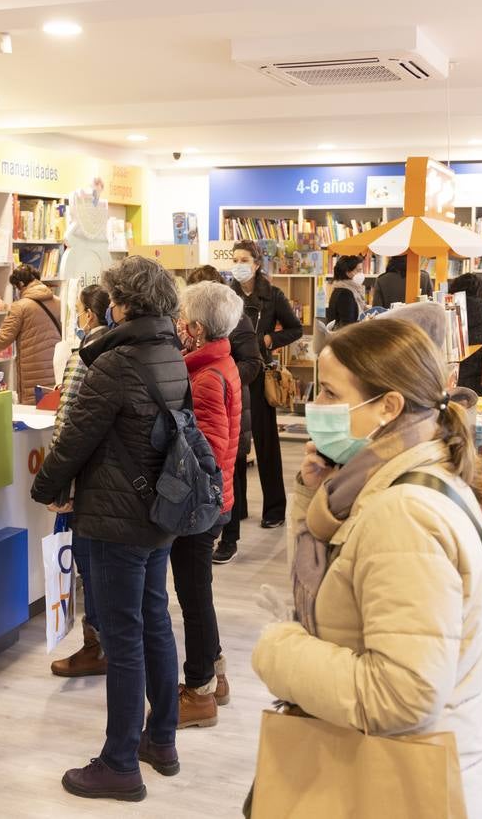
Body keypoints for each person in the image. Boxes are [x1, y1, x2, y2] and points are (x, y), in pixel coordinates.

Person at [251, 319, 482, 819]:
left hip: (396, 779)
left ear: (388, 406)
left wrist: (277, 650)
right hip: (402, 762)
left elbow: (402, 696)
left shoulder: (403, 512)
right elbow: (337, 566)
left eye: (330, 392)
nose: (314, 404)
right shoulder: (392, 480)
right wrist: (309, 491)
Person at [30, 256, 186, 802]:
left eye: (115, 298)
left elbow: (75, 438)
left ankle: (120, 763)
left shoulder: (116, 363)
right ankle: (161, 739)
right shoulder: (171, 352)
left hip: (116, 517)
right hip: (156, 512)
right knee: (153, 622)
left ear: (124, 305)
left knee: (121, 640)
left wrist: (45, 487)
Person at [171, 281, 242, 728]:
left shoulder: (204, 377)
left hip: (202, 507)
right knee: (198, 595)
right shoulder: (217, 362)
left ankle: (198, 691)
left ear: (195, 328)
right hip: (218, 502)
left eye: (182, 319)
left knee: (193, 598)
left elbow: (209, 454)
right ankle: (214, 674)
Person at [49, 284, 111, 678]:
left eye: (78, 310)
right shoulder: (124, 351)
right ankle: (105, 642)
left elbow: (66, 422)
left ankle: (96, 646)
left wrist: (59, 483)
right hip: (113, 479)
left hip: (86, 481)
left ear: (89, 314)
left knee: (88, 563)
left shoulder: (84, 355)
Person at [184, 265, 261, 565]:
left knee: (230, 479)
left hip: (231, 412)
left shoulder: (215, 367)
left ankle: (231, 539)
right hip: (227, 409)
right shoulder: (208, 359)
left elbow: (252, 363)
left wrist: (221, 379)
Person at [230, 240, 302, 530]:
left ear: (257, 263)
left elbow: (295, 328)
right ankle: (239, 506)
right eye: (235, 259)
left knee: (266, 442)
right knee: (236, 444)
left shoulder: (272, 295)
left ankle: (275, 509)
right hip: (234, 373)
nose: (238, 264)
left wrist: (272, 339)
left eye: (244, 259)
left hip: (259, 374)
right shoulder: (228, 295)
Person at [0, 264, 62, 405]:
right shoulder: (58, 301)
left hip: (32, 371)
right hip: (56, 367)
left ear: (21, 284)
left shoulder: (20, 306)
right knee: (52, 409)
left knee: (34, 415)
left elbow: (3, 339)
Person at [325, 255, 367, 328]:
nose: (361, 274)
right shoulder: (345, 293)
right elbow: (348, 324)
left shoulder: (341, 288)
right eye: (358, 270)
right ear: (348, 272)